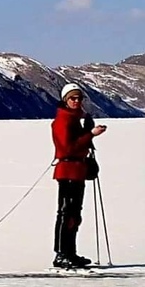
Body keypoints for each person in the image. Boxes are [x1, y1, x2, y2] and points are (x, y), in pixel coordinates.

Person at [50, 82, 107, 268]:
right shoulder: (63, 120)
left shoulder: (73, 118)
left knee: (74, 214)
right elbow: (68, 148)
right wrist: (90, 134)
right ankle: (61, 254)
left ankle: (70, 253)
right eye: (73, 98)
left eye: (79, 98)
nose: (77, 101)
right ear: (66, 100)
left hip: (76, 171)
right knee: (67, 213)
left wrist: (87, 130)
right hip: (68, 171)